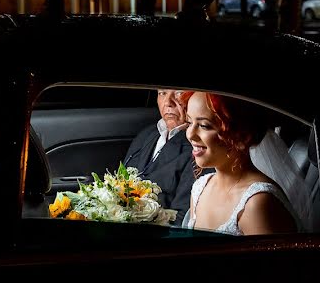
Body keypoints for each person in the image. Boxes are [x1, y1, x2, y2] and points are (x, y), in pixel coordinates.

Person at [181, 91, 309, 235]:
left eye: (204, 125)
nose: (190, 134)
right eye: (189, 122)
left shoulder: (257, 203)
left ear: (242, 135)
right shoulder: (200, 188)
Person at [122, 89, 195, 226]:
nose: (168, 102)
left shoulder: (198, 150)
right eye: (162, 93)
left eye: (179, 93)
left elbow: (181, 219)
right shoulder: (147, 134)